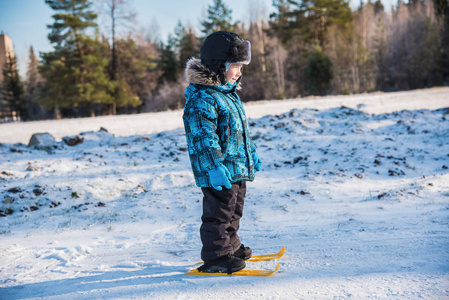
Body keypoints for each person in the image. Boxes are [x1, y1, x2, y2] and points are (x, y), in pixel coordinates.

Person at [183, 31, 262, 274]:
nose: (239, 71)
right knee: (219, 213)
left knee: (234, 209)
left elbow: (239, 132)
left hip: (236, 168)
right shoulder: (202, 98)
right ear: (218, 67)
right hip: (218, 170)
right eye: (235, 66)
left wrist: (252, 153)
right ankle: (216, 255)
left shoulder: (228, 95)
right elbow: (203, 138)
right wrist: (214, 167)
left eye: (240, 66)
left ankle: (231, 245)